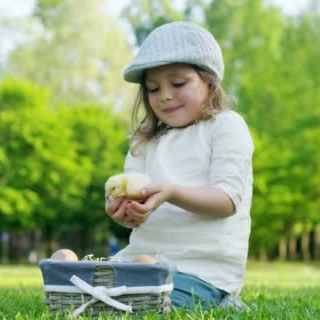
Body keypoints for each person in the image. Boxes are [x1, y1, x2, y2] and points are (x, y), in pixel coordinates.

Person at [105, 21, 254, 310]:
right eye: (153, 88)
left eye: (178, 83)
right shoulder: (144, 141)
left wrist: (171, 192)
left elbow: (226, 200)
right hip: (141, 260)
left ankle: (222, 299)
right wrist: (124, 212)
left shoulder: (226, 127)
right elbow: (136, 210)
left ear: (209, 82)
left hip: (202, 268)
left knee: (149, 305)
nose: (165, 95)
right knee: (88, 293)